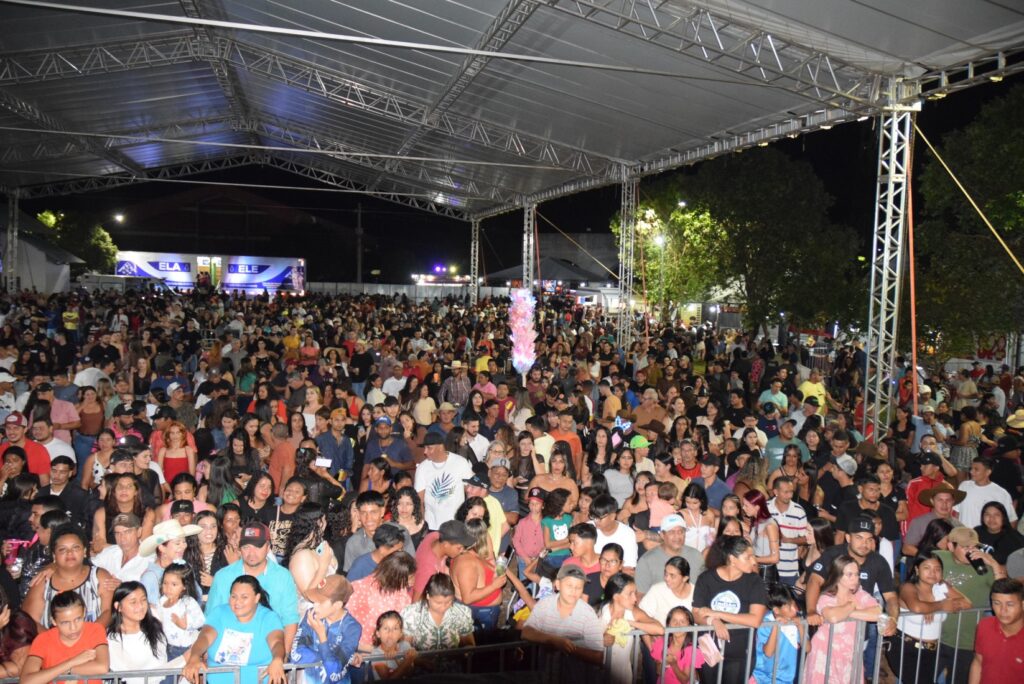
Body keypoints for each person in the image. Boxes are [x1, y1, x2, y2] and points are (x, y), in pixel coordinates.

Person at [207, 522, 301, 653]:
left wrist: (283, 657)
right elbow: (211, 619)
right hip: (228, 652)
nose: (251, 553)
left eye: (258, 546)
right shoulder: (223, 577)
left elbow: (290, 619)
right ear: (239, 548)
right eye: (246, 547)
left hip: (269, 651)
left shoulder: (283, 577)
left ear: (268, 547)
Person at [691, 536, 768, 684]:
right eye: (748, 557)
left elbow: (755, 619)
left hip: (740, 653)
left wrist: (717, 613)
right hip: (710, 650)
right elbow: (696, 614)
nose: (754, 561)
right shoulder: (706, 579)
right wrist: (714, 621)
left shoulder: (754, 581)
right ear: (732, 559)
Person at [936, 526, 1008, 684]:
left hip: (967, 641)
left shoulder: (986, 567)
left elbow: (1005, 592)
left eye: (973, 546)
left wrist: (994, 564)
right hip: (935, 637)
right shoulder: (937, 558)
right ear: (950, 546)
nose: (970, 551)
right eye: (964, 547)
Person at [183, 575, 287, 684]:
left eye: (244, 597)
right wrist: (194, 656)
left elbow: (276, 642)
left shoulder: (269, 618)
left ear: (257, 598)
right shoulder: (219, 613)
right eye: (234, 596)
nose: (237, 602)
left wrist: (278, 659)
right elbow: (205, 637)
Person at [887, 551, 972, 683]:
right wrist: (940, 605)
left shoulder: (941, 587)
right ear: (917, 569)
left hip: (932, 651)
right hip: (906, 648)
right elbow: (917, 607)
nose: (933, 573)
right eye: (927, 568)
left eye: (937, 569)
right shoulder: (908, 587)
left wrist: (932, 605)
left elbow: (967, 603)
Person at [805, 554, 881, 684]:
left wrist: (848, 612)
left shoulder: (860, 594)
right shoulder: (826, 597)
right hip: (826, 653)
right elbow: (833, 617)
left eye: (857, 574)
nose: (855, 579)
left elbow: (878, 613)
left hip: (850, 654)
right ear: (838, 576)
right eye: (849, 575)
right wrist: (851, 605)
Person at [22, 525, 114, 630]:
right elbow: (30, 620)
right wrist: (56, 643)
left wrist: (88, 637)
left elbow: (108, 611)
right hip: (52, 643)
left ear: (84, 551)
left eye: (75, 547)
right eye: (62, 549)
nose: (70, 553)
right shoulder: (43, 581)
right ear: (54, 555)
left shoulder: (99, 576)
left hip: (93, 642)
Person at [522, 565, 606, 675]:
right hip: (546, 675)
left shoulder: (588, 614)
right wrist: (553, 640)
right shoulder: (545, 604)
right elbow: (526, 632)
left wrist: (569, 648)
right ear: (557, 584)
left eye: (579, 587)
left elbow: (598, 656)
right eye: (569, 585)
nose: (574, 591)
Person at [19, 591, 109, 684]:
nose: (73, 628)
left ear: (84, 612)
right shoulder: (43, 639)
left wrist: (68, 670)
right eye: (65, 623)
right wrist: (72, 662)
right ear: (53, 621)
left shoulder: (95, 630)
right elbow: (26, 681)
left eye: (78, 619)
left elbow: (102, 667)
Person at [288, 575, 362, 684]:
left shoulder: (352, 628)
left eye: (320, 602)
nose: (315, 605)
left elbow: (335, 674)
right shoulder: (311, 615)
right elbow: (296, 654)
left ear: (337, 605)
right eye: (315, 600)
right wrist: (330, 659)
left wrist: (322, 637)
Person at [105, 580, 175, 684]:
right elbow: (128, 676)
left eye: (143, 600)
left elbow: (163, 664)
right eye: (133, 602)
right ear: (118, 606)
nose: (140, 606)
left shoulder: (155, 624)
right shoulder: (113, 639)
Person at [599, 572, 663, 684]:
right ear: (616, 596)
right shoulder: (600, 613)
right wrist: (600, 639)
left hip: (623, 675)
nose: (635, 598)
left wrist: (630, 622)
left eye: (635, 593)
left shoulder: (633, 612)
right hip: (599, 674)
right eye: (630, 594)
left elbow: (660, 629)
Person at [346, 551, 417, 652]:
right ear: (396, 577)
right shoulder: (361, 590)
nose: (413, 581)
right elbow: (346, 631)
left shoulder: (400, 590)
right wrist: (377, 651)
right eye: (409, 578)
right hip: (365, 651)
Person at [400, 573, 474, 652]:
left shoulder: (460, 612)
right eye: (438, 603)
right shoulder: (413, 613)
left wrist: (467, 651)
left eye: (448, 602)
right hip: (420, 661)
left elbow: (469, 643)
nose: (443, 607)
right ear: (428, 596)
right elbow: (405, 648)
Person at [635, 514, 705, 597]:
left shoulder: (696, 556)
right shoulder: (647, 560)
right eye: (672, 532)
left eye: (681, 532)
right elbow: (640, 596)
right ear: (662, 535)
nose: (677, 536)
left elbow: (703, 589)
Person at [969, 578, 1024, 682]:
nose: (1003, 610)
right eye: (997, 603)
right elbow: (978, 662)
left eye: (1010, 604)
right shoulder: (984, 626)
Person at [750, 584, 803, 684]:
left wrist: (800, 626)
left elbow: (807, 648)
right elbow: (768, 653)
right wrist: (776, 625)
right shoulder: (766, 622)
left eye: (794, 604)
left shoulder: (797, 622)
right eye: (789, 607)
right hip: (763, 678)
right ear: (776, 610)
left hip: (786, 678)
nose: (795, 609)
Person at [152, 562, 204, 661]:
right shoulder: (161, 601)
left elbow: (201, 620)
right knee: (169, 674)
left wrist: (186, 625)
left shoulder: (187, 602)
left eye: (174, 584)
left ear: (184, 586)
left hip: (185, 648)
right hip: (167, 646)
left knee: (182, 675)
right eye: (165, 583)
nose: (168, 588)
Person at [957, 456, 1017, 529]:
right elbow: (956, 512)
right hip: (963, 535)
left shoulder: (1001, 493)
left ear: (988, 472)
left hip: (986, 538)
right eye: (971, 468)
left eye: (976, 469)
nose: (971, 472)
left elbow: (1011, 519)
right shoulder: (964, 486)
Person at [650, 606, 704, 684]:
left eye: (682, 621)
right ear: (669, 624)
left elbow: (684, 680)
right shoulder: (662, 642)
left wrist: (673, 664)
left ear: (689, 626)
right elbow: (658, 671)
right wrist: (663, 663)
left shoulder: (691, 650)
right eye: (674, 621)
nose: (678, 625)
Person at [638, 556, 694, 626]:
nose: (667, 578)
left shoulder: (696, 592)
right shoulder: (657, 590)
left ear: (685, 578)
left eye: (672, 576)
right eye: (666, 574)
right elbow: (641, 617)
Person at [367, 611, 416, 679]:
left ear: (401, 633)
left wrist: (398, 659)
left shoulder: (405, 646)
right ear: (378, 633)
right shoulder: (376, 653)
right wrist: (408, 660)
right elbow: (389, 680)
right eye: (386, 628)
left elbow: (410, 674)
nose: (390, 633)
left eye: (395, 628)